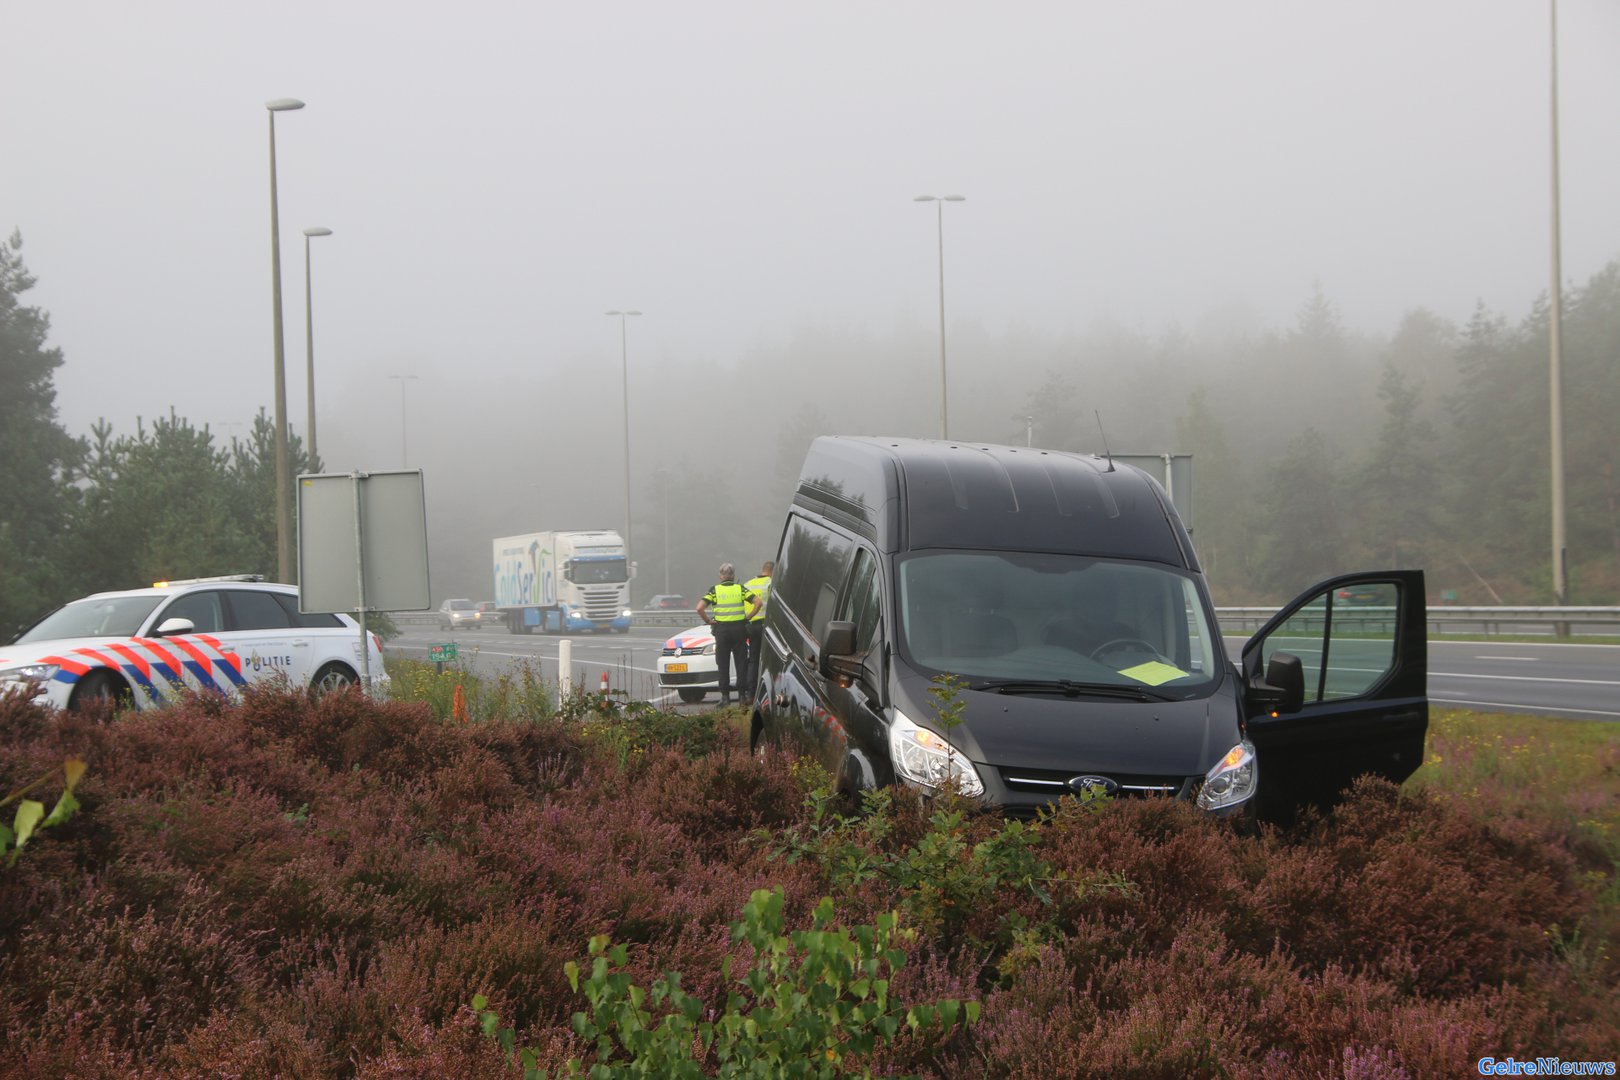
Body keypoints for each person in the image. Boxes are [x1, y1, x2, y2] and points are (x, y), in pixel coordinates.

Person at [695, 563, 761, 705]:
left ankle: (725, 697)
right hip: (739, 630)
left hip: (722, 631)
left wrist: (709, 620)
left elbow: (699, 607)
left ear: (721, 576)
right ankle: (742, 696)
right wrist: (748, 617)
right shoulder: (740, 589)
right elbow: (758, 602)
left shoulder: (714, 591)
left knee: (723, 663)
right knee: (741, 662)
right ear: (733, 575)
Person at [742, 560, 774, 701]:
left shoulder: (747, 584)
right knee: (771, 660)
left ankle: (751, 693)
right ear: (773, 571)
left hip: (750, 626)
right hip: (765, 626)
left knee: (753, 660)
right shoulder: (771, 583)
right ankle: (769, 693)